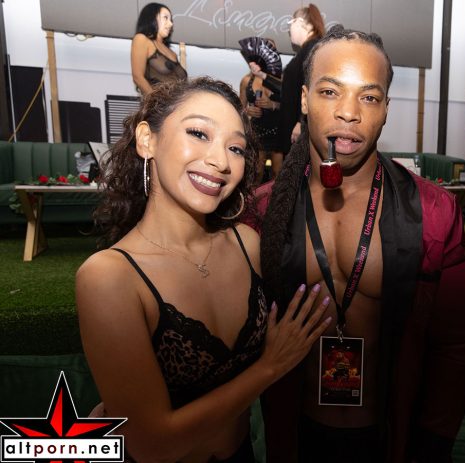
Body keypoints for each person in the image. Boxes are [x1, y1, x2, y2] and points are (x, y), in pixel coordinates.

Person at [250, 26, 465, 463]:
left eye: (369, 97)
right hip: (295, 438)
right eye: (330, 92)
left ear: (387, 109)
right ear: (303, 99)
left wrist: (432, 445)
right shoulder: (262, 212)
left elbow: (455, 347)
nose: (349, 113)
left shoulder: (434, 212)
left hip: (389, 441)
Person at [76, 77, 331, 462]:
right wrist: (270, 366)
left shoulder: (247, 244)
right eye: (198, 133)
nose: (220, 161)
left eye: (235, 148)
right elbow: (151, 445)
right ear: (147, 140)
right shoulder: (110, 277)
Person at [249, 4, 325, 159]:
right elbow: (289, 90)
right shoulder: (307, 50)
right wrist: (263, 76)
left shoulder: (312, 49)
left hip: (299, 130)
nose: (289, 28)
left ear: (303, 23)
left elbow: (312, 89)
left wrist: (301, 122)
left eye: (291, 22)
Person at [239, 40, 283, 180]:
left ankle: (277, 196)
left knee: (278, 173)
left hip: (278, 130)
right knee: (257, 172)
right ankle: (255, 196)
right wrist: (248, 111)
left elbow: (293, 105)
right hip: (257, 131)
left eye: (272, 51)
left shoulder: (282, 80)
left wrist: (274, 105)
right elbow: (240, 109)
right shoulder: (247, 80)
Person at [131, 3, 187, 96]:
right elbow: (138, 77)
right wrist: (155, 102)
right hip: (158, 104)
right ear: (151, 18)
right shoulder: (141, 39)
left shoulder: (172, 53)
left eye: (171, 20)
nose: (170, 24)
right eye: (165, 18)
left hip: (177, 103)